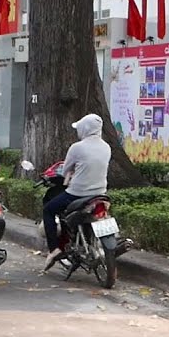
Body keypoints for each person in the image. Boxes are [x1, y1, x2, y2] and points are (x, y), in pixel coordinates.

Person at [44, 113, 111, 270]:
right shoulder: (106, 147)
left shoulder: (77, 148)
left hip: (77, 193)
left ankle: (54, 249)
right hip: (100, 193)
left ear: (85, 128)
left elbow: (66, 169)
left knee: (48, 210)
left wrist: (71, 172)